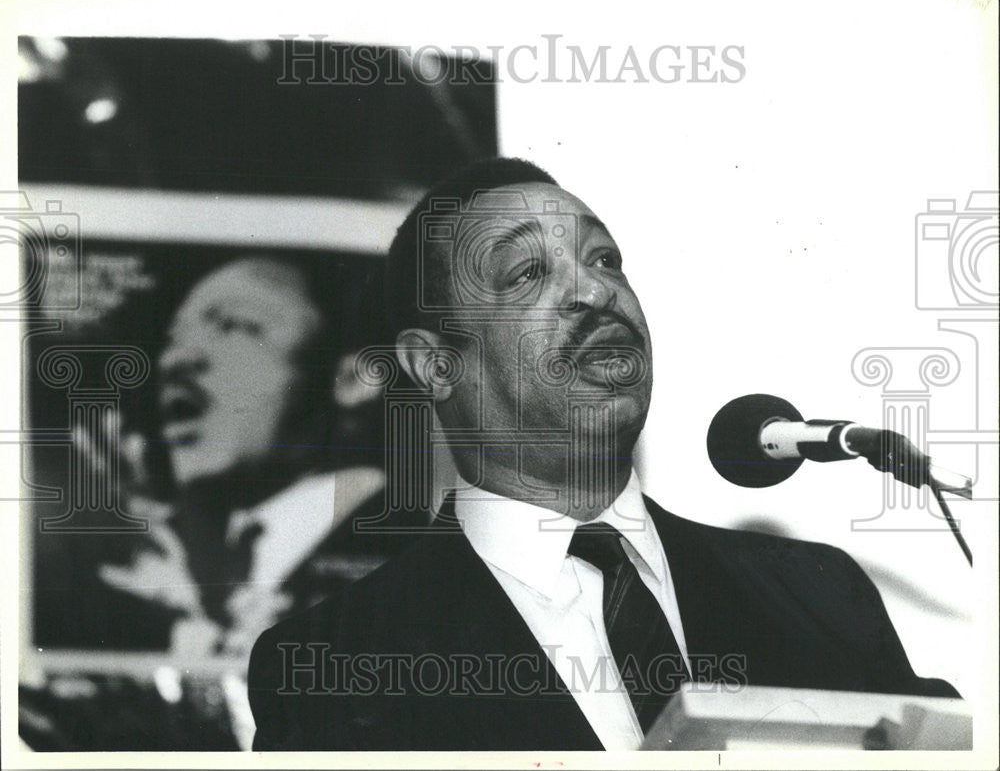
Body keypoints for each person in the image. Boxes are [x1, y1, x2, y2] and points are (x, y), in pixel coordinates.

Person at [247, 158, 958, 751]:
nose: (594, 289)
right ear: (433, 366)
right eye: (527, 272)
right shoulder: (338, 666)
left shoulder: (817, 593)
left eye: (605, 258)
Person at [96, 256, 394, 655]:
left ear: (353, 379)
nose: (175, 359)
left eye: (233, 327)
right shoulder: (175, 560)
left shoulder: (413, 563)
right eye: (173, 339)